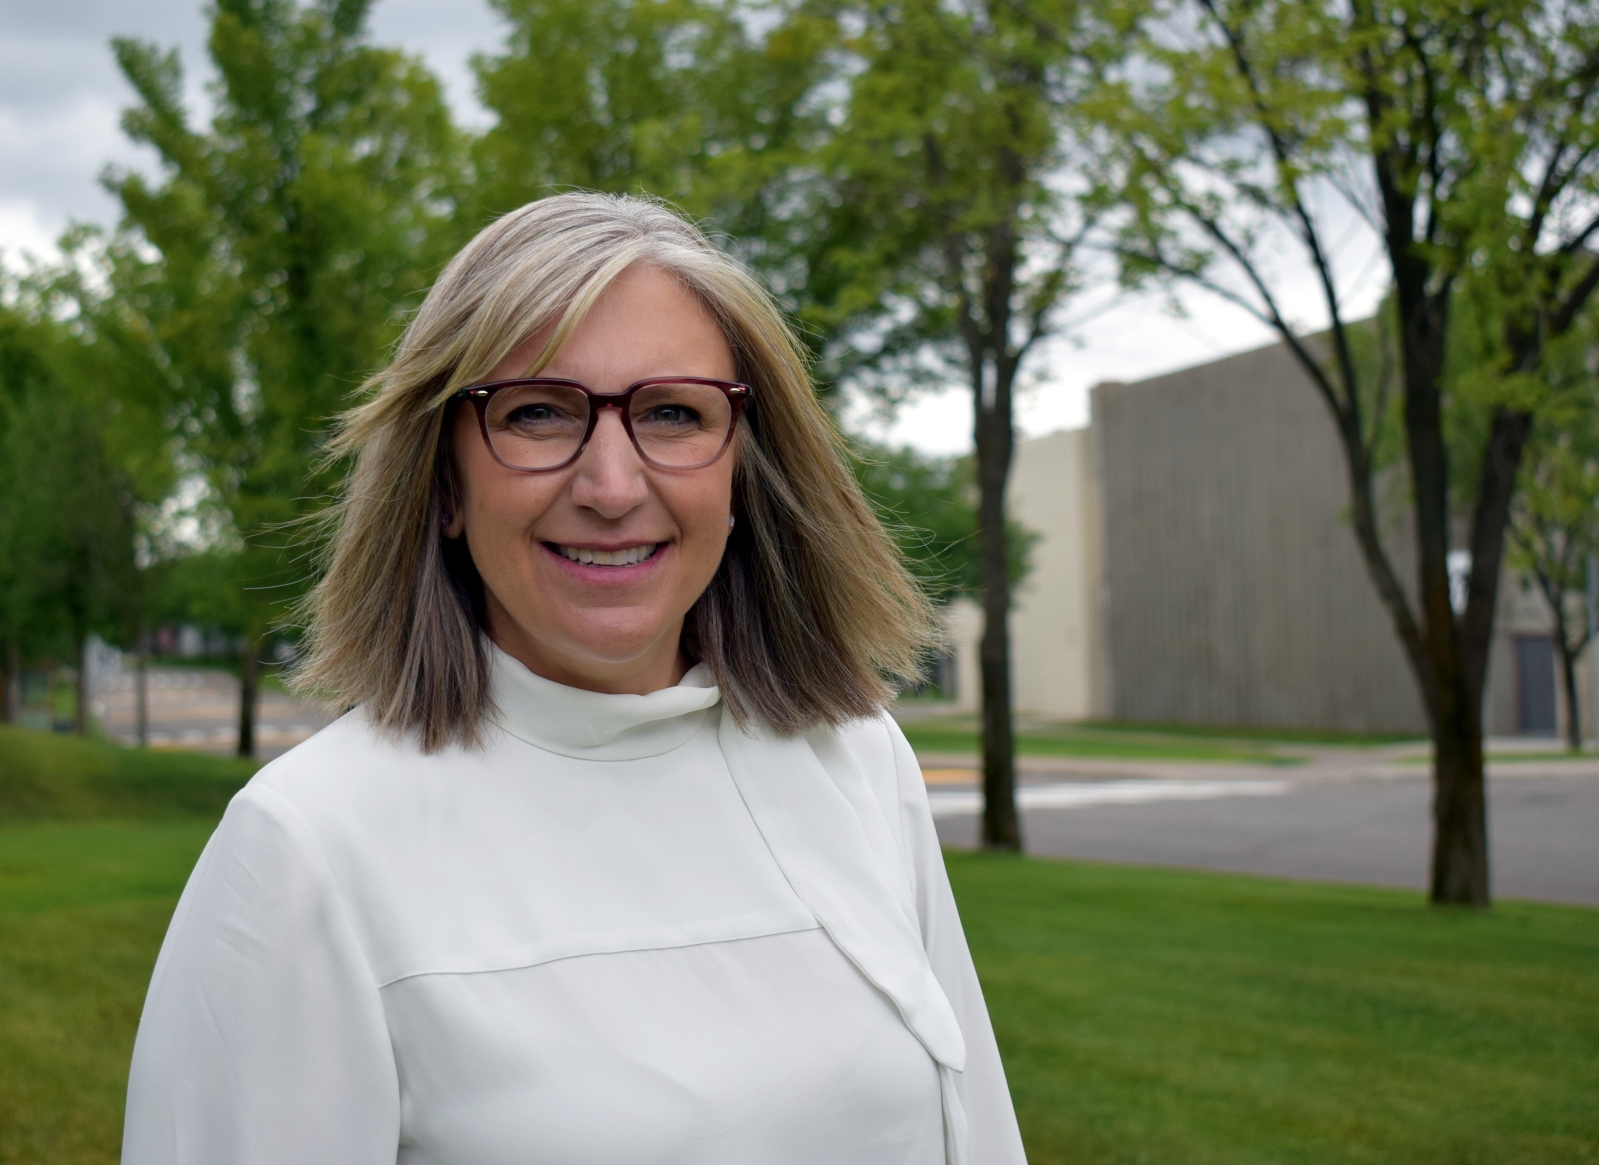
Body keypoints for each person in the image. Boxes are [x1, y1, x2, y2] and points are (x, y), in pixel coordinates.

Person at [121, 193, 1027, 1165]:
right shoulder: (307, 846)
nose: (609, 486)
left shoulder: (853, 759)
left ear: (742, 472)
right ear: (443, 485)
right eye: (538, 413)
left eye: (672, 413)